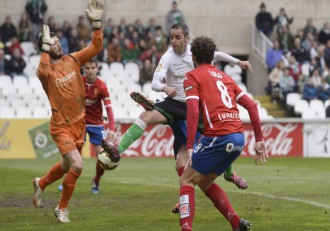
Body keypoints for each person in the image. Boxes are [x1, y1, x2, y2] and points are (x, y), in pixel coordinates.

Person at [106, 23, 253, 211]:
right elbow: (155, 82)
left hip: (194, 106)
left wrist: (238, 62)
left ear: (186, 38)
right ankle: (117, 150)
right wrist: (165, 87)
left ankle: (229, 174)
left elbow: (217, 55)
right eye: (171, 37)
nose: (173, 41)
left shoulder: (195, 53)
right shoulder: (168, 56)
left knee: (219, 133)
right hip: (174, 103)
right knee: (147, 117)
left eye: (177, 37)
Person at [180, 35, 267, 231]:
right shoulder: (226, 78)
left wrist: (191, 144)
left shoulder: (192, 76)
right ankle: (236, 223)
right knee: (203, 181)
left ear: (193, 56)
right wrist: (259, 140)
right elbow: (252, 106)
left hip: (218, 136)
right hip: (238, 139)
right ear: (213, 57)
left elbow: (193, 111)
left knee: (186, 179)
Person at [32, 0, 104, 223]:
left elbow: (95, 48)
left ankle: (41, 183)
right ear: (45, 47)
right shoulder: (46, 72)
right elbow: (41, 70)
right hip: (61, 126)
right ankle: (62, 208)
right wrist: (44, 49)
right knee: (78, 165)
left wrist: (97, 24)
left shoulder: (72, 59)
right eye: (53, 43)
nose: (59, 44)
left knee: (66, 166)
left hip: (79, 124)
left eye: (58, 41)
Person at [58, 59, 116, 194]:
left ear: (97, 69)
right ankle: (66, 181)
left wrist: (111, 128)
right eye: (87, 68)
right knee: (73, 155)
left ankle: (96, 181)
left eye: (92, 68)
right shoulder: (78, 83)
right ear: (84, 69)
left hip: (96, 124)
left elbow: (109, 109)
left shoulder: (101, 86)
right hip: (80, 123)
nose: (90, 71)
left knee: (103, 158)